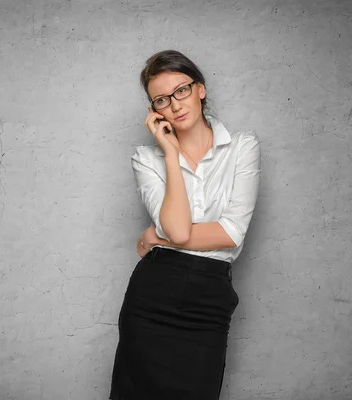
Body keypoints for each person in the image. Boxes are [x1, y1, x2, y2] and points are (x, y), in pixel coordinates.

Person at [109, 50, 261, 400]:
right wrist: (170, 153)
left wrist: (153, 235)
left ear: (200, 89)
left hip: (208, 300)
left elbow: (230, 233)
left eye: (181, 90)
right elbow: (177, 231)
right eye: (161, 99)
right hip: (152, 297)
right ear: (154, 111)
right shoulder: (146, 159)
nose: (175, 105)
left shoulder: (242, 147)